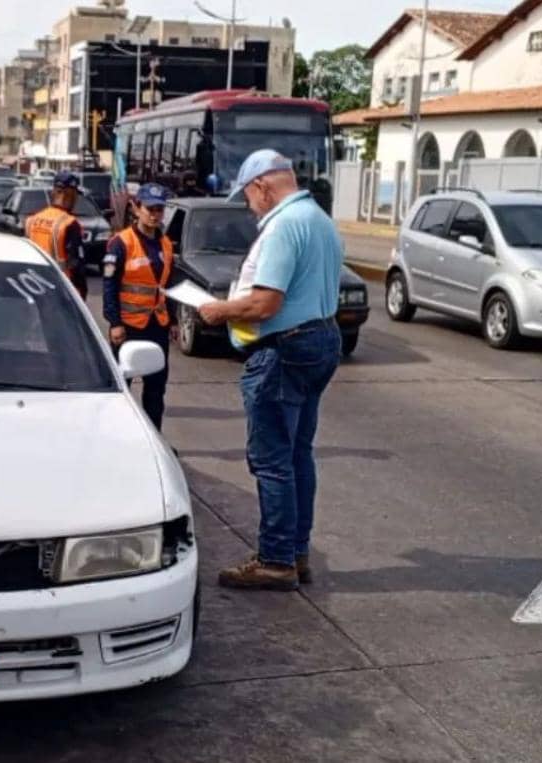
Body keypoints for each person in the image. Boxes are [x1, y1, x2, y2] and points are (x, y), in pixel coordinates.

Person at [198, 150, 343, 591]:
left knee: (272, 459)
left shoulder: (283, 226)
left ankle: (276, 558)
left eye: (247, 196)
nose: (248, 205)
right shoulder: (319, 219)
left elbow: (265, 303)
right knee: (298, 453)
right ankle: (296, 551)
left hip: (285, 348)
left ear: (262, 185)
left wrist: (219, 310)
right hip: (320, 338)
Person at [103, 183, 179, 431]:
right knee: (120, 388)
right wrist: (114, 322)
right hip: (128, 327)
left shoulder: (166, 244)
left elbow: (167, 285)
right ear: (136, 208)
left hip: (157, 326)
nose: (155, 215)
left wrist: (174, 320)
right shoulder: (120, 244)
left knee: (156, 389)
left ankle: (154, 438)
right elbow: (109, 285)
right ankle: (116, 435)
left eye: (160, 209)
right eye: (150, 209)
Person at [25, 170, 88, 299]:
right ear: (69, 194)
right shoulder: (69, 224)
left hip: (33, 286)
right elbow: (75, 265)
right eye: (75, 195)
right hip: (61, 290)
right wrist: (82, 292)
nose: (76, 199)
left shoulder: (32, 220)